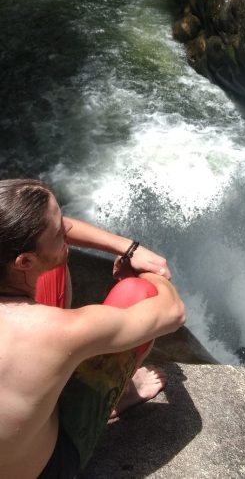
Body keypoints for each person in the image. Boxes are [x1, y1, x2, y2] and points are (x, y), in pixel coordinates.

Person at [0, 178, 186, 479]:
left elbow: (56, 230)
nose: (67, 233)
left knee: (54, 259)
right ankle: (120, 395)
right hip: (49, 468)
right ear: (24, 261)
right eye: (60, 232)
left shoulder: (14, 253)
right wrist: (144, 270)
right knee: (136, 294)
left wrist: (129, 247)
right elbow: (172, 312)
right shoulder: (58, 332)